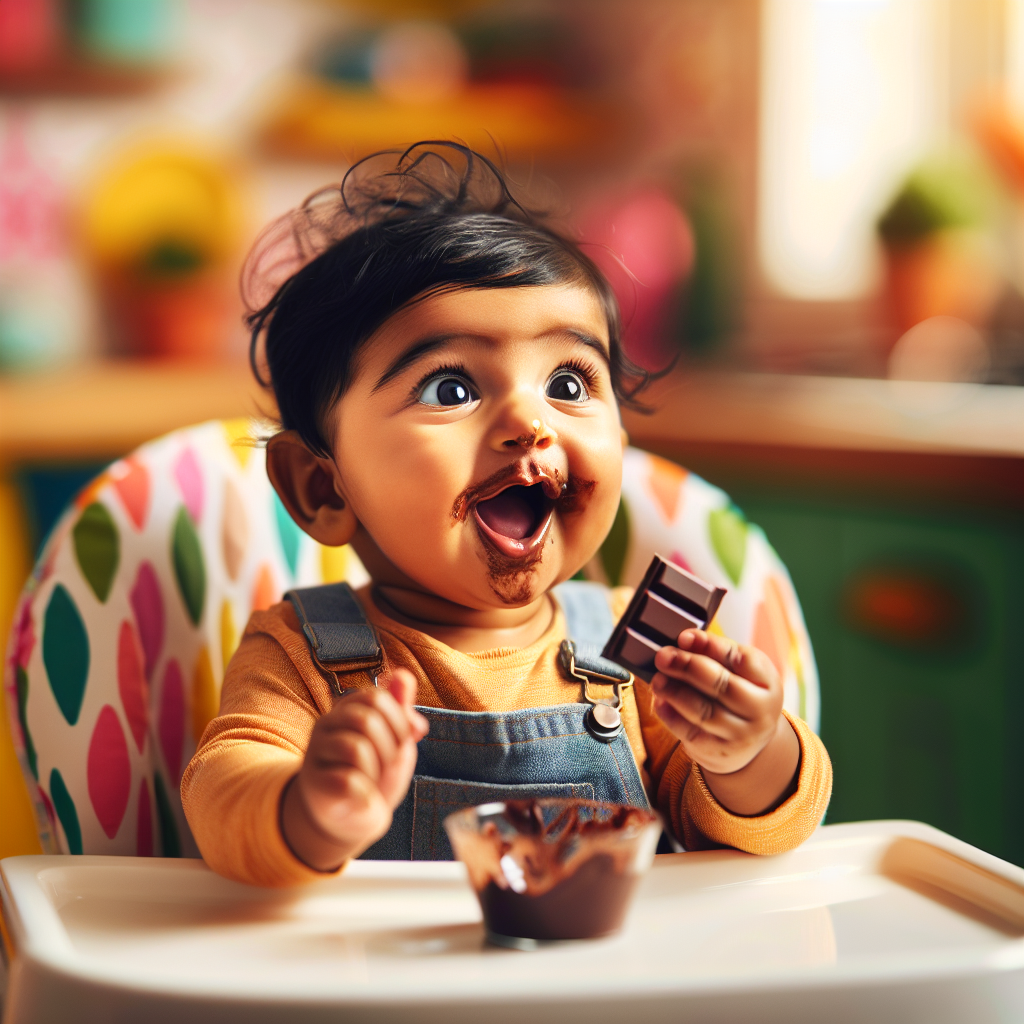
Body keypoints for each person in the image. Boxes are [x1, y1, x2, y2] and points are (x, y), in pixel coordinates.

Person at [181, 142, 831, 886]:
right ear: (323, 489)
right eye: (450, 388)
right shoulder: (301, 657)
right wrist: (305, 808)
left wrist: (749, 752)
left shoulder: (644, 656)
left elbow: (752, 838)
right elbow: (221, 793)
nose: (530, 421)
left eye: (567, 379)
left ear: (618, 440)